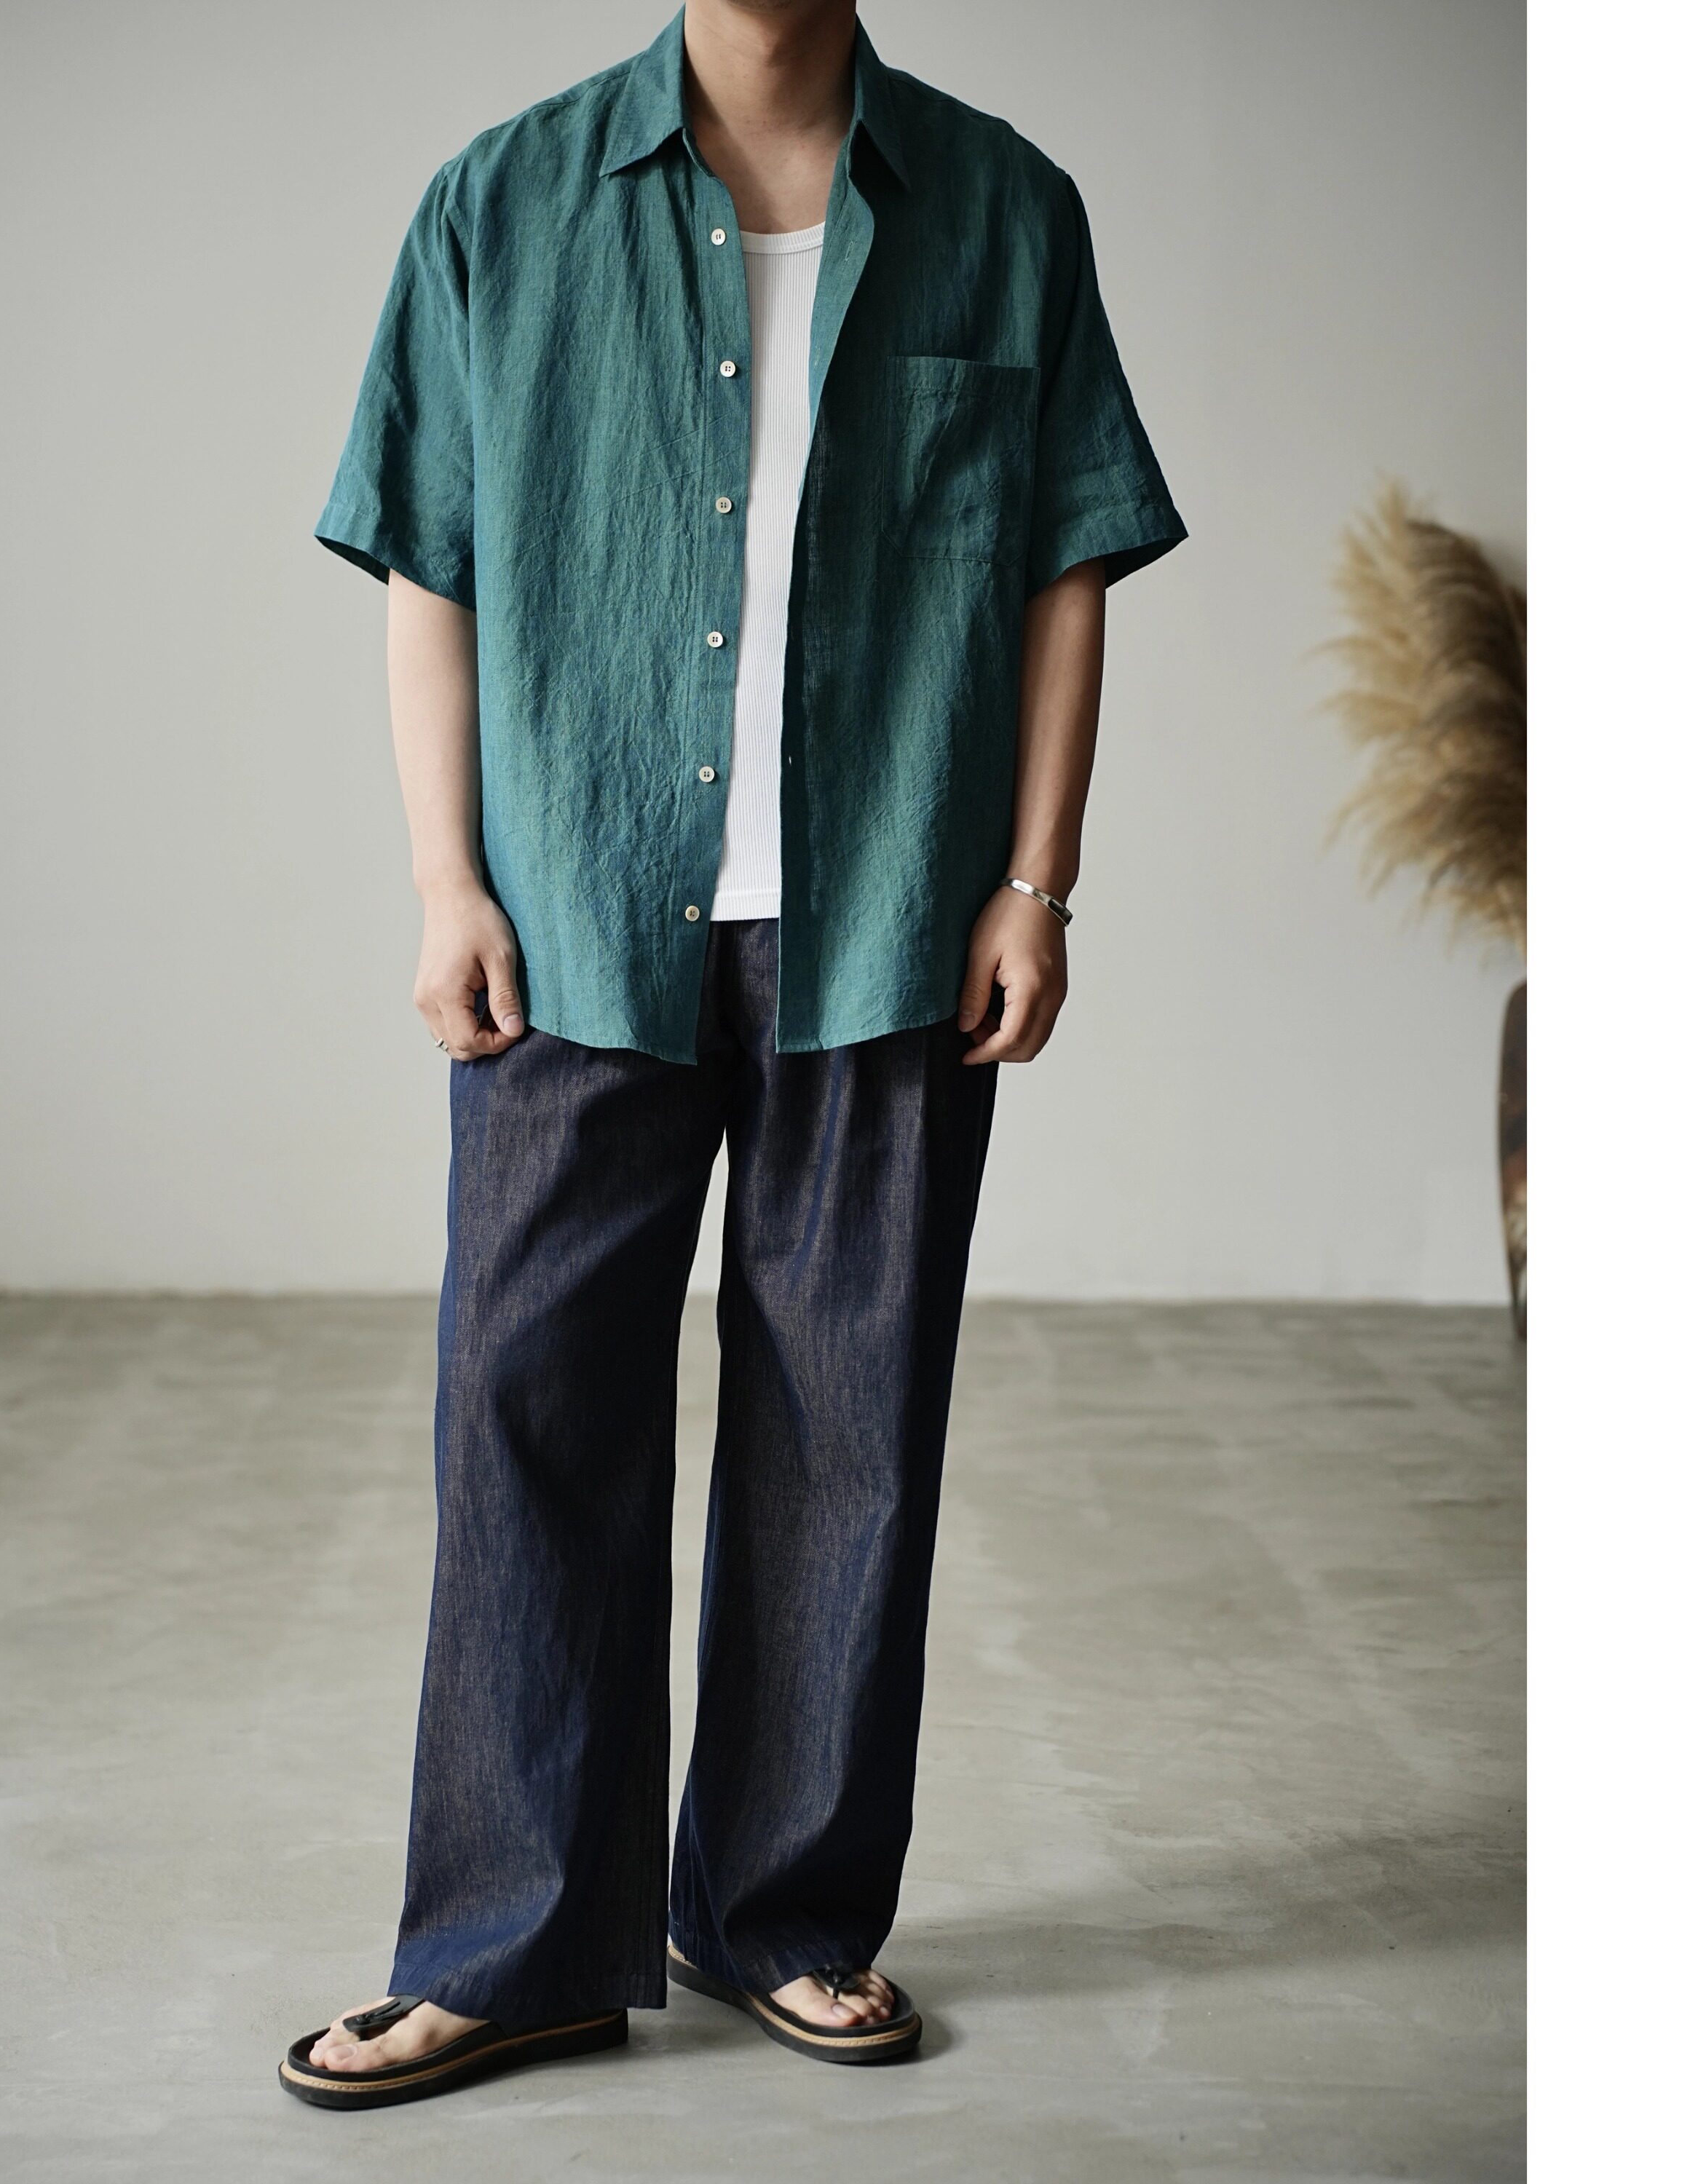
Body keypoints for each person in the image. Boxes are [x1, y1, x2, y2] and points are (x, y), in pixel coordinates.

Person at [280, 0, 1183, 2111]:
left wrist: (1034, 882)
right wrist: (446, 879)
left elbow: (1067, 565)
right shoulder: (501, 204)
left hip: (887, 909)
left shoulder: (1004, 208)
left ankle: (782, 1912)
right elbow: (431, 557)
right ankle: (509, 1949)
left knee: (849, 1424)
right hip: (576, 909)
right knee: (525, 1417)